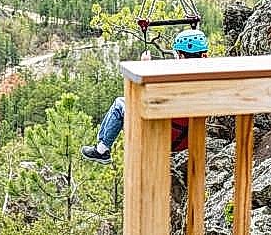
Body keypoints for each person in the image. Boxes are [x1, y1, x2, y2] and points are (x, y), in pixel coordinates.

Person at [80, 28, 208, 164]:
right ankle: (101, 148)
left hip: (166, 136)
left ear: (181, 56)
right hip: (192, 137)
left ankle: (102, 149)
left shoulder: (176, 80)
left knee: (120, 104)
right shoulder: (208, 76)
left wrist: (145, 67)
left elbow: (144, 97)